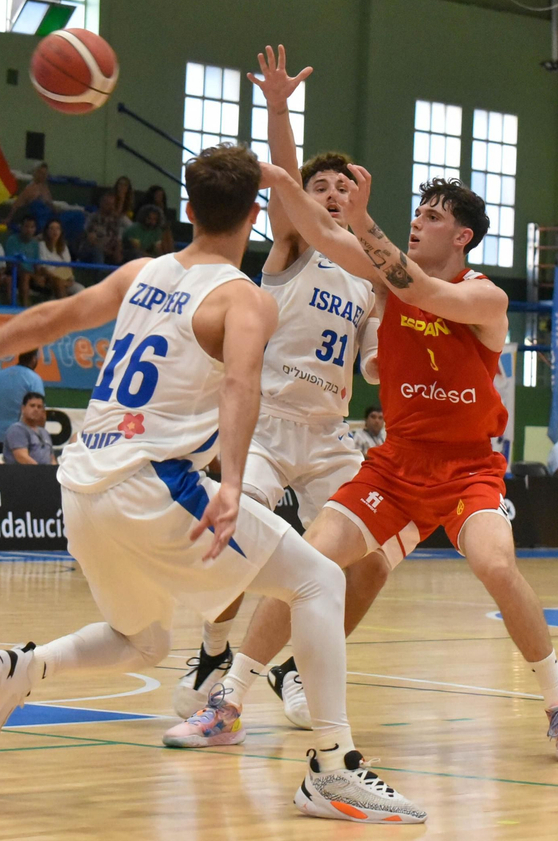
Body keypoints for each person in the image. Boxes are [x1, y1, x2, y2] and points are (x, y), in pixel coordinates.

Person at [0, 142, 424, 824]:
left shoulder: (141, 270)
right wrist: (234, 482)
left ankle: (21, 670)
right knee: (319, 581)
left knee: (142, 640)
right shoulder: (243, 298)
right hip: (154, 483)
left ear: (187, 210)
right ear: (256, 216)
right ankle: (332, 769)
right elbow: (241, 384)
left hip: (83, 483)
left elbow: (59, 315)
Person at [233, 98, 558, 764]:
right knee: (311, 559)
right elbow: (320, 232)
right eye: (418, 213)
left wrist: (364, 219)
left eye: (431, 217)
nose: (418, 222)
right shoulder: (379, 276)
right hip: (394, 464)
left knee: (495, 564)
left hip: (467, 469)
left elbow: (423, 292)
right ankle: (225, 698)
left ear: (461, 237)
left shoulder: (486, 298)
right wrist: (284, 171)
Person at [166, 49, 383, 726]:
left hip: (329, 434)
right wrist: (280, 107)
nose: (333, 194)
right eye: (321, 187)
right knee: (237, 539)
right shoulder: (295, 246)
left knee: (370, 563)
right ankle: (212, 648)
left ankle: (292, 664)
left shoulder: (370, 276)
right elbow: (286, 175)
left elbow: (375, 364)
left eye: (344, 188)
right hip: (268, 421)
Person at [0, 349, 44, 435]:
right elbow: (39, 410)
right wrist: (40, 436)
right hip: (20, 437)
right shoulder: (34, 379)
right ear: (34, 359)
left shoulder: (0, 375)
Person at [3, 392, 53, 465]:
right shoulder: (16, 430)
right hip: (23, 473)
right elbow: (22, 457)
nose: (36, 409)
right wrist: (42, 472)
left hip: (46, 473)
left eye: (39, 407)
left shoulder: (45, 432)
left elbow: (52, 458)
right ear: (23, 408)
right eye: (32, 406)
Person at [37, 218, 81, 298]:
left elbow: (68, 266)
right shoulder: (42, 245)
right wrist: (58, 279)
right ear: (47, 231)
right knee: (59, 283)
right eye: (52, 228)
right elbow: (43, 267)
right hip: (50, 278)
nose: (55, 231)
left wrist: (70, 279)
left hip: (66, 278)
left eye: (57, 228)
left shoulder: (64, 247)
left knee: (81, 290)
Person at [6, 213, 42, 306]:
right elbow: (10, 263)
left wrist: (38, 276)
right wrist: (30, 274)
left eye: (32, 227)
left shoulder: (35, 244)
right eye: (26, 226)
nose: (29, 230)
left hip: (31, 275)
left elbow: (37, 264)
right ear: (21, 227)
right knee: (24, 276)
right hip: (15, 273)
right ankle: (23, 308)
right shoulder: (12, 240)